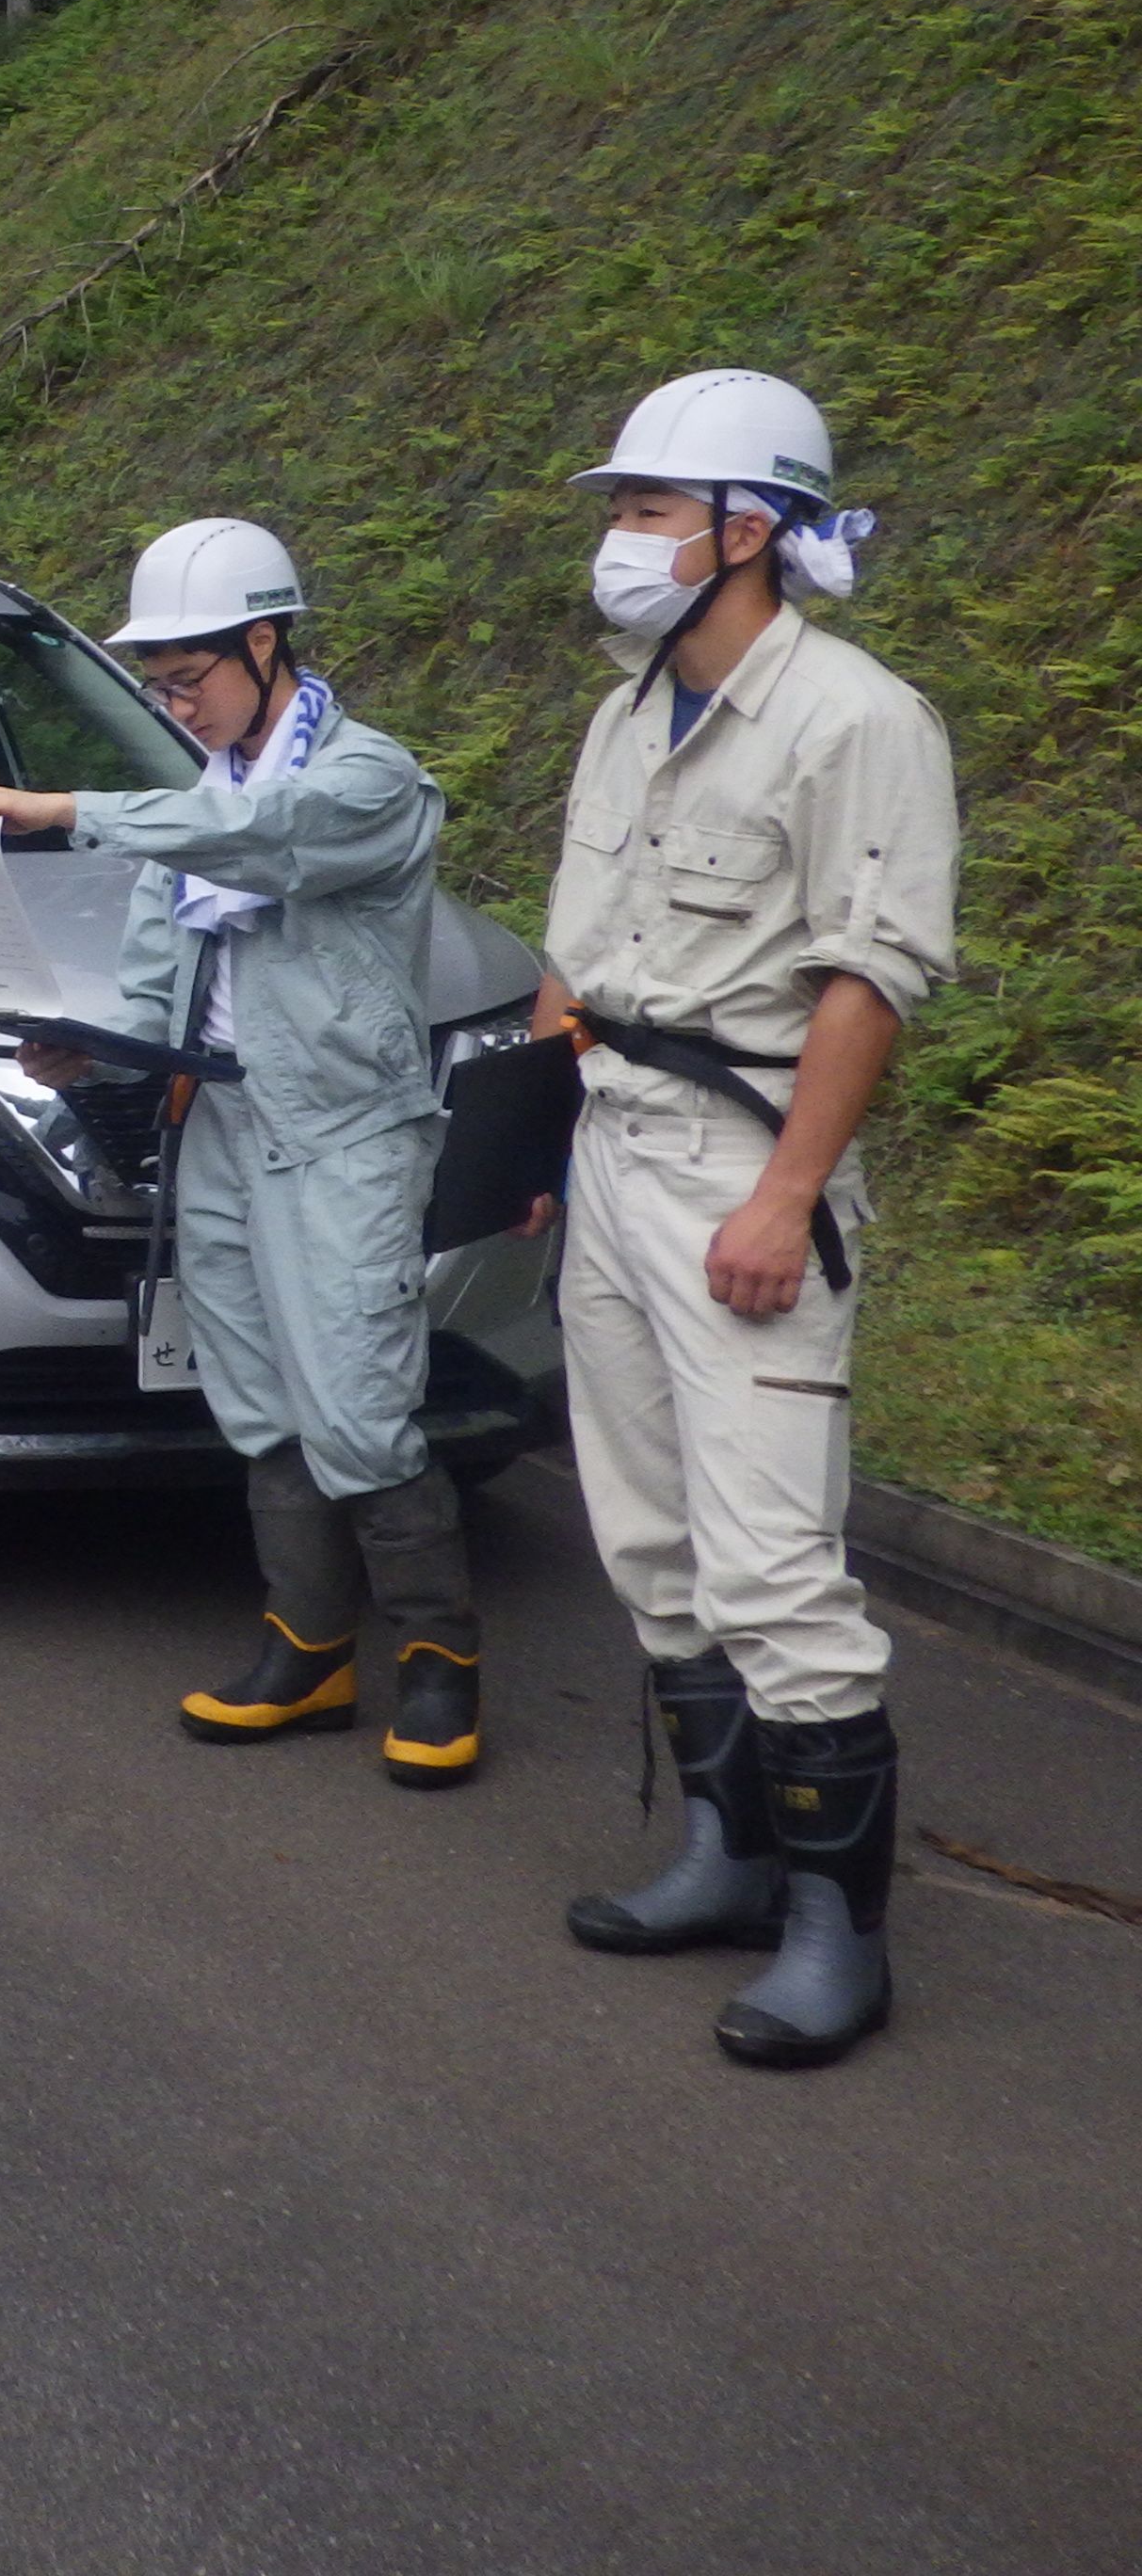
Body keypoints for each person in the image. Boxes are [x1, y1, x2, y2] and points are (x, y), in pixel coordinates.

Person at [536, 371, 956, 2072]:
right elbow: (584, 953)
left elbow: (869, 978)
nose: (615, 540)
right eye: (616, 508)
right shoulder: (630, 705)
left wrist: (785, 1194)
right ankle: (722, 1852)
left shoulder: (855, 718)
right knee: (646, 1534)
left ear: (749, 529)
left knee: (770, 1563)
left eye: (645, 508)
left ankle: (831, 1933)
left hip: (740, 1163)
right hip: (611, 1146)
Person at [0, 517, 476, 1782]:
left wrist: (69, 806)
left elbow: (267, 838)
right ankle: (308, 1650)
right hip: (221, 1124)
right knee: (252, 1397)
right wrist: (94, 1045)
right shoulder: (195, 808)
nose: (178, 705)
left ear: (263, 639)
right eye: (160, 686)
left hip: (342, 1129)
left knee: (355, 1400)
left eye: (191, 678)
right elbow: (153, 969)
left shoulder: (367, 781)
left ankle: (439, 1666)